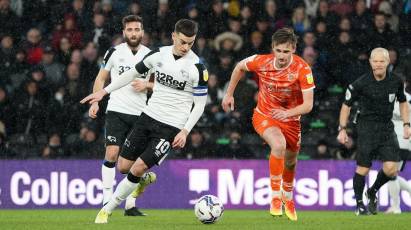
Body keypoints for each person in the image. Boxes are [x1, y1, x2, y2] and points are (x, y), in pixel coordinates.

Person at [81, 19, 208, 224]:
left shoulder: (197, 68)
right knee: (123, 167)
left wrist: (184, 131)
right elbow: (131, 74)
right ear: (174, 36)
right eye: (183, 42)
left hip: (171, 127)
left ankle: (107, 209)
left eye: (191, 43)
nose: (186, 47)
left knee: (138, 167)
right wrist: (104, 92)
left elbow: (200, 105)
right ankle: (140, 183)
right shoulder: (158, 54)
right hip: (147, 118)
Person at [222, 28, 315, 221]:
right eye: (278, 50)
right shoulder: (261, 61)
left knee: (290, 162)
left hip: (291, 120)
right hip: (265, 115)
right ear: (273, 48)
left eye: (286, 51)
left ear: (294, 50)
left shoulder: (302, 68)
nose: (282, 56)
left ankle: (288, 198)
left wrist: (287, 113)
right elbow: (239, 67)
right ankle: (274, 197)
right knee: (278, 145)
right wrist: (229, 93)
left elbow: (308, 105)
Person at [88, 15, 155, 217]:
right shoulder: (114, 52)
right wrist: (96, 101)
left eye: (137, 30)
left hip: (141, 114)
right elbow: (101, 77)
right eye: (130, 30)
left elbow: (162, 85)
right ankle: (106, 199)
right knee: (111, 153)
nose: (133, 33)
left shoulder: (152, 55)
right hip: (116, 110)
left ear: (142, 32)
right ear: (124, 32)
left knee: (130, 167)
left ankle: (130, 205)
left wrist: (147, 85)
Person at [337, 47, 411, 216]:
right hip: (366, 128)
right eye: (375, 61)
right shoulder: (360, 83)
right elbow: (346, 106)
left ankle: (372, 191)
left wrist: (406, 124)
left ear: (387, 62)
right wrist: (342, 129)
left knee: (392, 168)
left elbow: (403, 102)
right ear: (370, 62)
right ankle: (359, 204)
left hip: (386, 128)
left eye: (381, 61)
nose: (378, 64)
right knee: (363, 169)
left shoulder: (396, 81)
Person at [385, 82, 411, 214]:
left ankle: (396, 207)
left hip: (403, 141)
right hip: (391, 141)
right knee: (390, 173)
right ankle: (396, 205)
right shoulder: (388, 99)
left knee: (389, 173)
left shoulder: (408, 99)